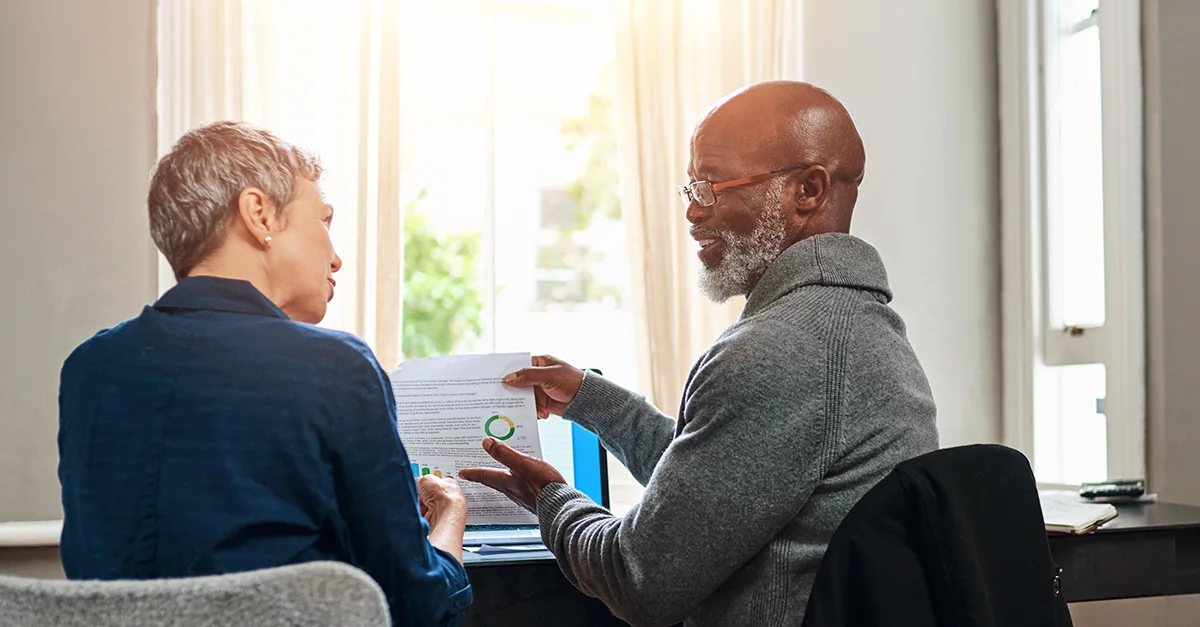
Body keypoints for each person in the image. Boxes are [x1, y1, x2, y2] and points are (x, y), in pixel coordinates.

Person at [460, 80, 940, 626]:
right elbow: (716, 484)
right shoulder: (858, 328)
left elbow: (638, 581)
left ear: (807, 190)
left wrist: (547, 497)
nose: (693, 213)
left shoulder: (779, 349)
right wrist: (589, 399)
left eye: (711, 185)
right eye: (691, 189)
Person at [58, 121, 472, 627]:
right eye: (323, 220)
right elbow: (416, 606)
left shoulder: (88, 369)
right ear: (259, 214)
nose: (336, 256)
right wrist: (449, 523)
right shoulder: (337, 368)